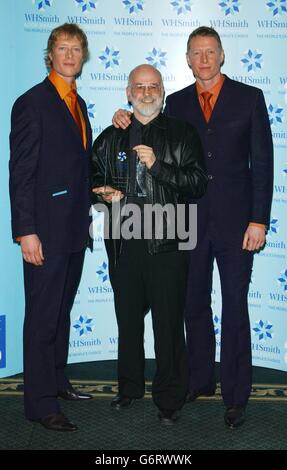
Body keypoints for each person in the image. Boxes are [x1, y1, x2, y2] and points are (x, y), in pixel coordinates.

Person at [112, 27, 273, 428]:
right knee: (192, 304)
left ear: (222, 56)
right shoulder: (177, 102)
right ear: (186, 59)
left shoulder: (250, 99)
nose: (203, 59)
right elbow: (147, 126)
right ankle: (199, 379)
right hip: (186, 221)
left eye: (210, 52)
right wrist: (123, 117)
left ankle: (236, 395)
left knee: (234, 306)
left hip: (238, 224)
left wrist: (259, 219)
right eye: (196, 53)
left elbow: (263, 165)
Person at [91, 64, 208, 425]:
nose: (145, 93)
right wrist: (103, 192)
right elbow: (94, 176)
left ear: (162, 91)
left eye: (152, 86)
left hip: (168, 240)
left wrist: (158, 166)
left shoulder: (182, 132)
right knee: (127, 321)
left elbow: (197, 183)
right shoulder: (111, 135)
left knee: (168, 324)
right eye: (138, 87)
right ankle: (129, 388)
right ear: (128, 92)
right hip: (124, 239)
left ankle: (170, 399)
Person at [9, 23, 93, 432]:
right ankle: (40, 404)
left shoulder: (78, 104)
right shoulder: (32, 103)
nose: (70, 55)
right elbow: (20, 172)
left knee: (60, 313)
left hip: (75, 230)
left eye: (77, 49)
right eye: (63, 48)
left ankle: (58, 381)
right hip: (44, 231)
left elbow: (76, 169)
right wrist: (26, 230)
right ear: (50, 54)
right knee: (41, 317)